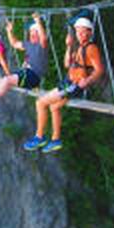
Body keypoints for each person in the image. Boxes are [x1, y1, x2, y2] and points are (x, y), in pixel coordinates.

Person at [23, 16, 104, 154]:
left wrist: (88, 80)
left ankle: (39, 137)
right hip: (68, 83)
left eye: (83, 32)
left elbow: (99, 69)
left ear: (90, 32)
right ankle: (55, 139)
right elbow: (67, 64)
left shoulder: (91, 48)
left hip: (74, 85)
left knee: (40, 103)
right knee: (54, 107)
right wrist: (68, 46)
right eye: (78, 31)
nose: (80, 35)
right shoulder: (79, 47)